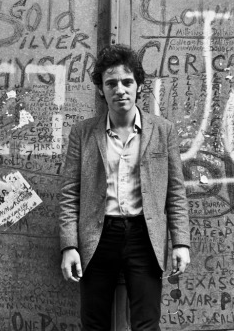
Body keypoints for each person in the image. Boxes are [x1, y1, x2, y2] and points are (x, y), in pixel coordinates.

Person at [59, 44, 190, 331]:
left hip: (145, 236)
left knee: (146, 325)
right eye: (111, 83)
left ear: (139, 86)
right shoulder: (83, 133)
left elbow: (176, 191)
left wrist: (180, 241)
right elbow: (70, 193)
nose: (120, 89)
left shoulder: (163, 130)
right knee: (94, 325)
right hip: (98, 235)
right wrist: (69, 245)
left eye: (128, 82)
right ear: (100, 90)